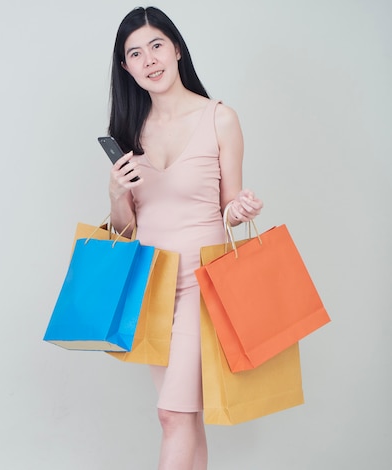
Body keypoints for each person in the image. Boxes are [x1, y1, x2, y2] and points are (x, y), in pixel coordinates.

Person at [107, 6, 263, 470]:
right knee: (184, 419)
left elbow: (228, 205)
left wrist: (241, 209)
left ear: (176, 48)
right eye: (135, 53)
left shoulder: (220, 118)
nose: (149, 59)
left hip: (203, 282)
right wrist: (115, 192)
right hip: (153, 289)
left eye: (156, 45)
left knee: (173, 413)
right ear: (126, 68)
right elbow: (125, 230)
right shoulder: (128, 133)